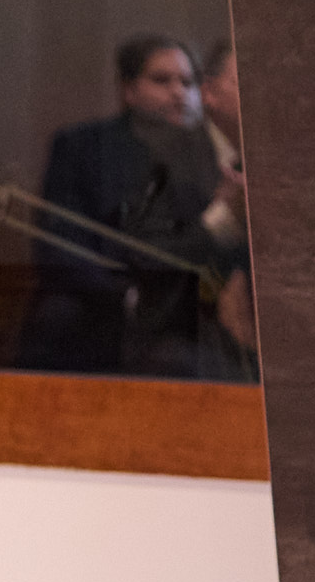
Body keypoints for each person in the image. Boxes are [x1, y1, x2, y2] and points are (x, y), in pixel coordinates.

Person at [15, 32, 251, 378]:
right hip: (99, 303)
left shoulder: (214, 155)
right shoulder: (85, 146)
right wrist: (129, 296)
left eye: (187, 82)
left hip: (183, 313)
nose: (179, 93)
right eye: (162, 80)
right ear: (129, 90)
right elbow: (61, 244)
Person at [202, 38, 258, 357]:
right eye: (243, 81)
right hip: (192, 319)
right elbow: (169, 253)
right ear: (209, 92)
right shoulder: (176, 155)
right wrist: (227, 215)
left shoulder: (273, 155)